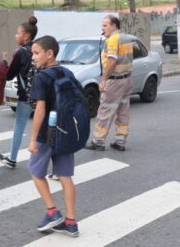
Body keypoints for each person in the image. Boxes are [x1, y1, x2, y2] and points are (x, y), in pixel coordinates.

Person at [28, 35, 79, 237]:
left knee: (35, 172)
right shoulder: (67, 72)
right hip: (66, 133)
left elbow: (40, 108)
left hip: (47, 134)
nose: (33, 57)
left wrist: (33, 139)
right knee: (65, 176)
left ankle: (52, 212)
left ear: (50, 54)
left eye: (36, 53)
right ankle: (71, 222)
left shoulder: (42, 77)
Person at [85, 15, 133, 152]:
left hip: (115, 81)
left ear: (114, 26)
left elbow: (112, 61)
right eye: (103, 25)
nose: (103, 28)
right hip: (127, 80)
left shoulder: (112, 40)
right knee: (123, 111)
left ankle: (98, 141)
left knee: (105, 110)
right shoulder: (126, 38)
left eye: (105, 25)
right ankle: (121, 141)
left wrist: (104, 79)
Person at [0, 16, 38, 169]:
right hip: (42, 94)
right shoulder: (37, 48)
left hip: (26, 96)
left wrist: (4, 62)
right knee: (45, 128)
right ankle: (57, 166)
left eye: (18, 33)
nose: (16, 35)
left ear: (26, 36)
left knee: (19, 126)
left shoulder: (20, 52)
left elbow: (8, 74)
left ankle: (12, 158)